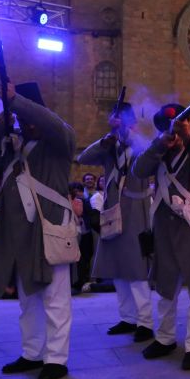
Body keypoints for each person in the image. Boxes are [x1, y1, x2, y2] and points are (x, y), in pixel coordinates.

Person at [0, 81, 76, 379]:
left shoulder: (58, 141)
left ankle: (56, 359)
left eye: (26, 114)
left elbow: (55, 125)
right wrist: (2, 118)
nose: (24, 122)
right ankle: (33, 353)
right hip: (19, 231)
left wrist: (15, 100)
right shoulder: (13, 145)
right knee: (27, 299)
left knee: (56, 299)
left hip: (50, 228)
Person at [132, 104, 190, 370]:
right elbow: (139, 169)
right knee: (166, 289)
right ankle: (165, 338)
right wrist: (161, 142)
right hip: (166, 230)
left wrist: (188, 136)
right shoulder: (158, 151)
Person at [77, 102, 154, 342]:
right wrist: (107, 138)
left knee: (137, 270)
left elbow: (149, 153)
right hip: (113, 211)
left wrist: (127, 134)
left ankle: (145, 322)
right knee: (118, 270)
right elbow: (83, 157)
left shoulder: (140, 142)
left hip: (135, 211)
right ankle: (127, 317)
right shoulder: (110, 146)